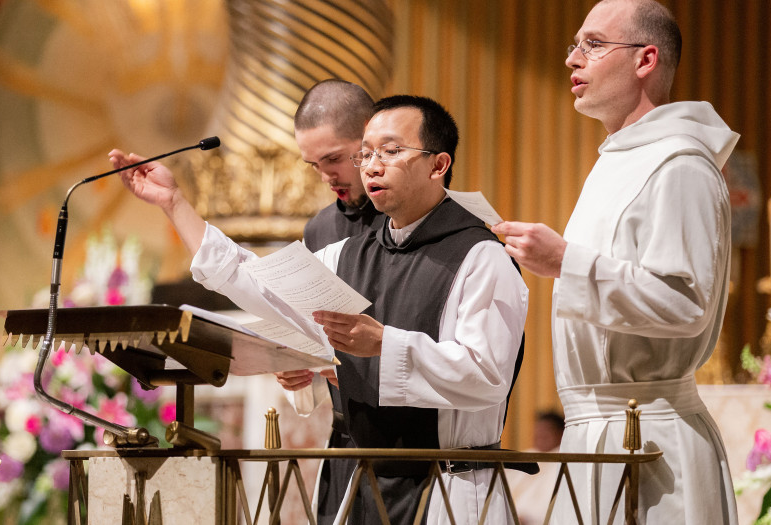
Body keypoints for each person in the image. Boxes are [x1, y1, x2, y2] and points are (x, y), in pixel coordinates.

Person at [111, 95, 528, 524]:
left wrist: (383, 344)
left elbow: (489, 374)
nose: (372, 166)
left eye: (391, 151)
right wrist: (174, 203)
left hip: (449, 488)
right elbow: (258, 282)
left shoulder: (481, 255)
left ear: (438, 165)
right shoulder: (346, 254)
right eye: (365, 154)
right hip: (365, 484)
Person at [491, 0, 739, 523]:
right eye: (574, 45)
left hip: (649, 433)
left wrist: (565, 262)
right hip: (595, 430)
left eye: (593, 44)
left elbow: (686, 303)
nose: (572, 59)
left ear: (645, 60)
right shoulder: (621, 158)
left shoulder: (681, 163)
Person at [281, 79, 385, 524]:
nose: (326, 178)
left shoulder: (423, 216)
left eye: (334, 159)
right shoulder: (320, 230)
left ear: (373, 136)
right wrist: (294, 359)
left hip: (412, 445)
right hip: (343, 442)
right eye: (313, 165)